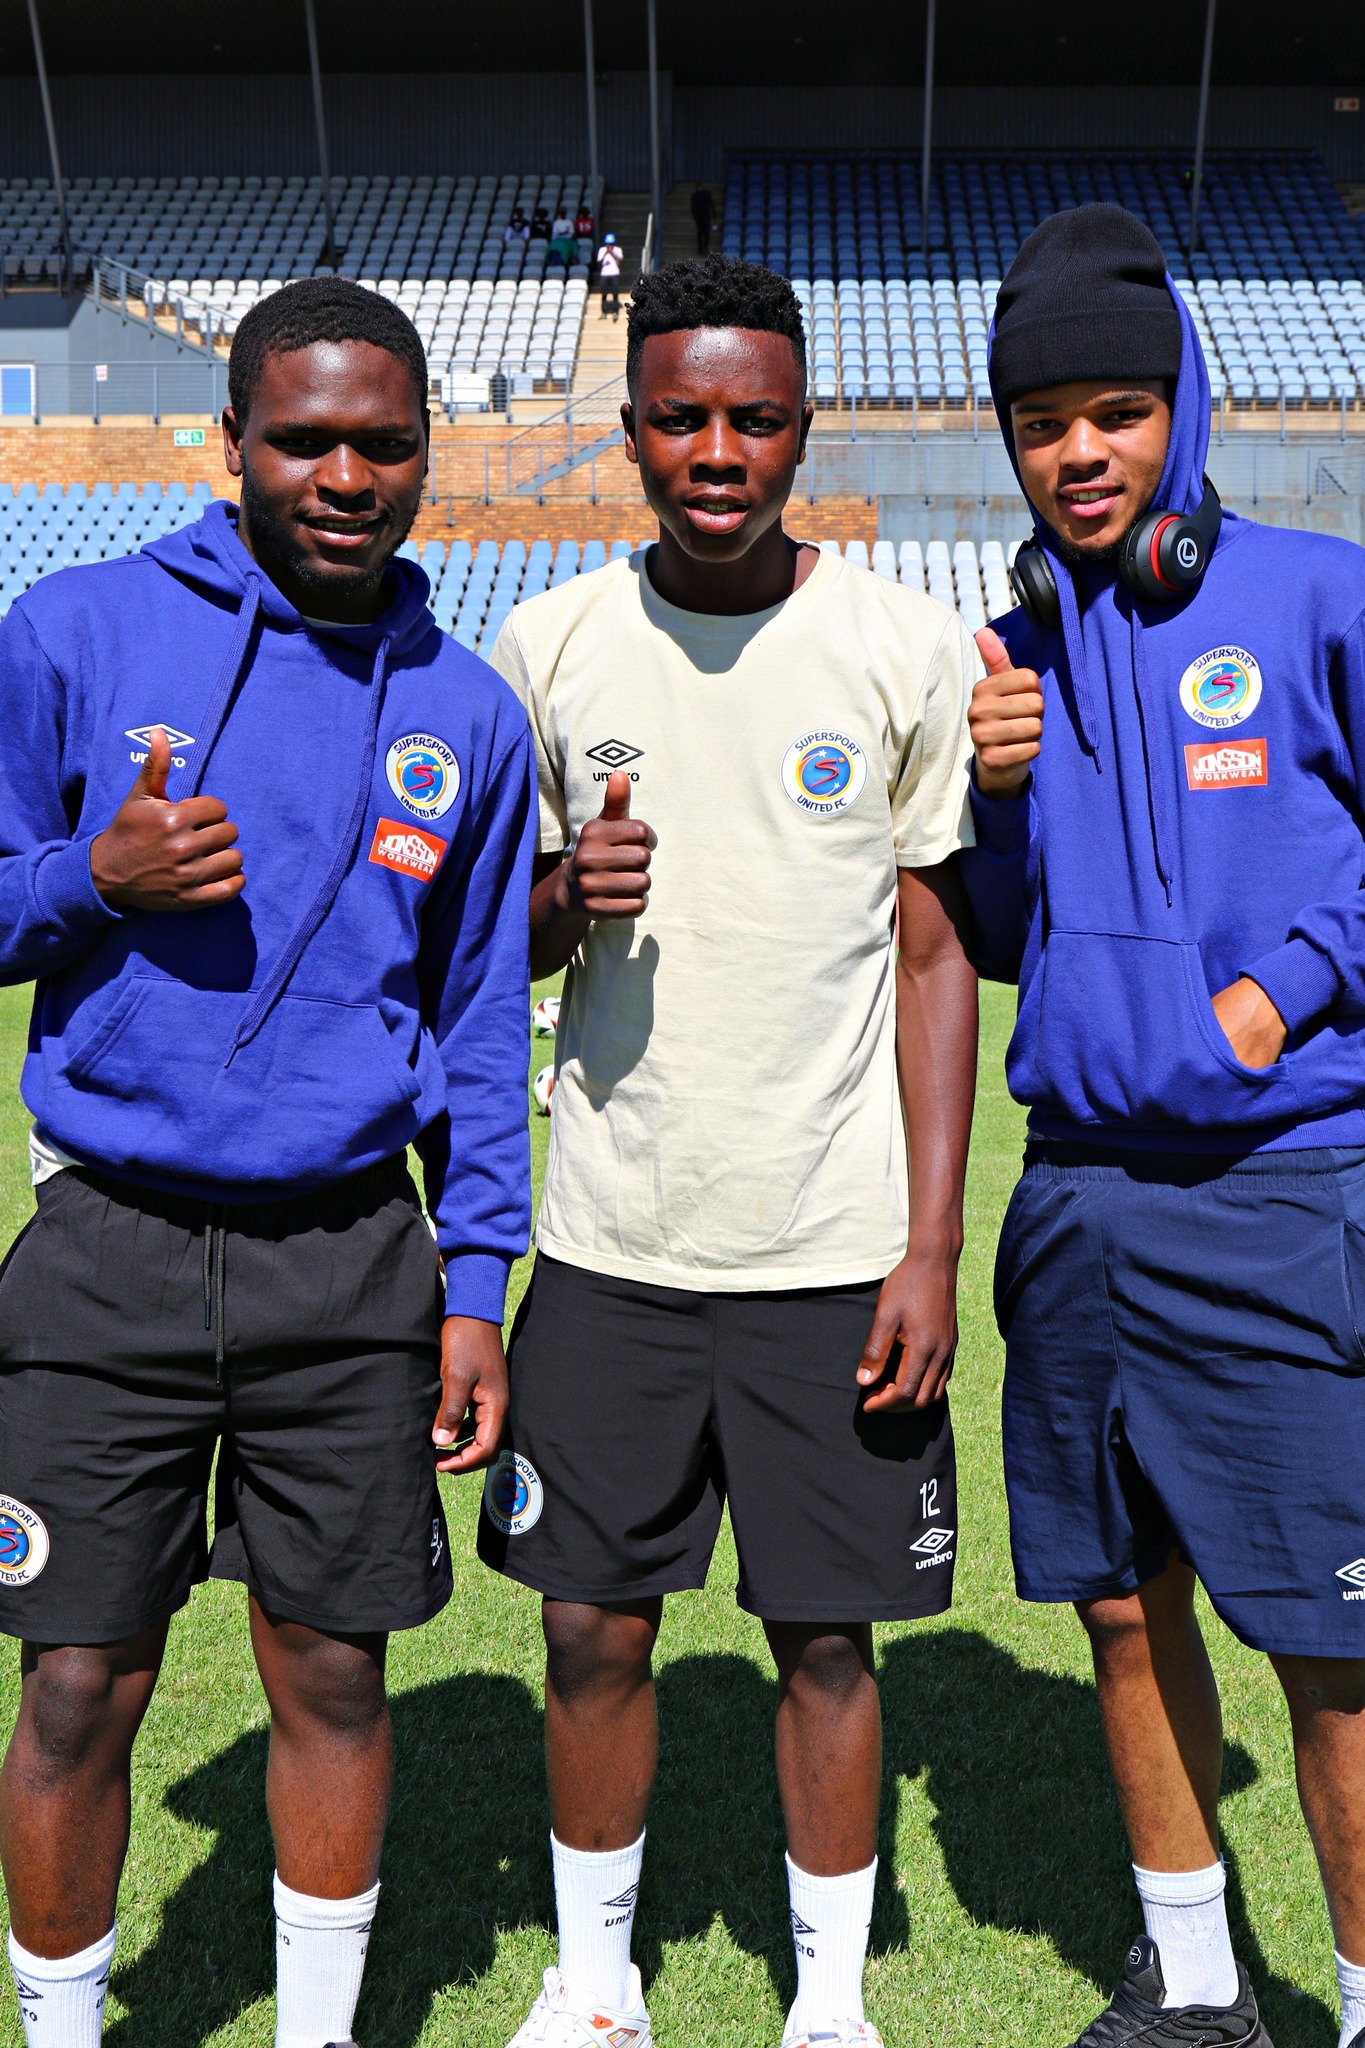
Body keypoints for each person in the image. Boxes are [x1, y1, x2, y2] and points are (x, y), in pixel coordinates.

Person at [0, 277, 534, 2048]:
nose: (344, 478)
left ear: (427, 455)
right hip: (108, 1245)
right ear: (227, 442)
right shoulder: (73, 632)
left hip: (350, 1255)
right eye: (303, 441)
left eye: (383, 445)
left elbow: (477, 1027)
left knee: (332, 1668)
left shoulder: (467, 711)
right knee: (78, 1682)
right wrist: (92, 877)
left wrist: (476, 1285)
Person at [485, 253, 980, 2048]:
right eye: (681, 418)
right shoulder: (548, 645)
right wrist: (565, 893)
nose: (717, 452)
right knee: (589, 1630)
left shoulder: (902, 646)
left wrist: (928, 1246)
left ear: (801, 429)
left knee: (826, 1637)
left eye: (753, 419)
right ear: (628, 431)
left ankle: (827, 2005)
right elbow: (485, 949)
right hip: (610, 1242)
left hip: (830, 1248)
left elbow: (934, 954)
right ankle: (596, 1983)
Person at [960, 202, 1365, 2048]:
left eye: (1115, 413)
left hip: (1280, 1188)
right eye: (1042, 423)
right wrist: (996, 804)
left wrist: (1278, 992)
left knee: (1332, 1648)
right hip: (1076, 1199)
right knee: (1121, 1608)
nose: (1079, 454)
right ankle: (1198, 1992)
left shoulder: (1316, 595)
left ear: (1182, 407)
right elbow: (998, 937)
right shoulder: (1008, 647)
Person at [596, 231, 622, 319]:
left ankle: (615, 312)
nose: (609, 245)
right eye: (608, 244)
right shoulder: (602, 250)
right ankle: (604, 312)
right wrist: (606, 252)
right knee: (604, 293)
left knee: (615, 293)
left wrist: (612, 252)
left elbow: (620, 258)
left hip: (614, 273)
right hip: (604, 274)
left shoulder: (617, 249)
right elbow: (599, 260)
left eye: (611, 244)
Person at [690, 182, 716, 254]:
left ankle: (700, 248)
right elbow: (712, 205)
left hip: (699, 217)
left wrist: (695, 216)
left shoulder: (694, 195)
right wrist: (714, 215)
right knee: (707, 232)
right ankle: (705, 246)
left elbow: (692, 208)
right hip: (706, 215)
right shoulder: (707, 193)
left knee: (700, 232)